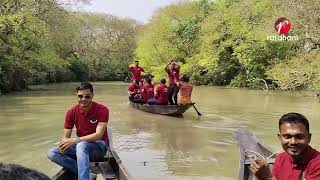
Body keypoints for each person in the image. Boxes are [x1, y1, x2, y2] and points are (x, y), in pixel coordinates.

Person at [47, 82, 109, 180]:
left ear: (92, 95)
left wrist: (76, 140)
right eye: (80, 96)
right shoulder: (71, 112)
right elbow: (65, 137)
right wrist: (64, 145)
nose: (83, 99)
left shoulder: (102, 109)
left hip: (99, 147)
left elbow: (98, 135)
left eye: (87, 96)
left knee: (81, 145)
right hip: (80, 148)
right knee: (52, 153)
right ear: (76, 96)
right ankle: (88, 175)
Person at [250, 112, 320, 180]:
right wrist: (258, 175)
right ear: (280, 138)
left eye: (299, 137)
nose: (293, 142)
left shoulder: (317, 163)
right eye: (287, 137)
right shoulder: (281, 158)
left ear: (309, 138)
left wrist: (267, 177)